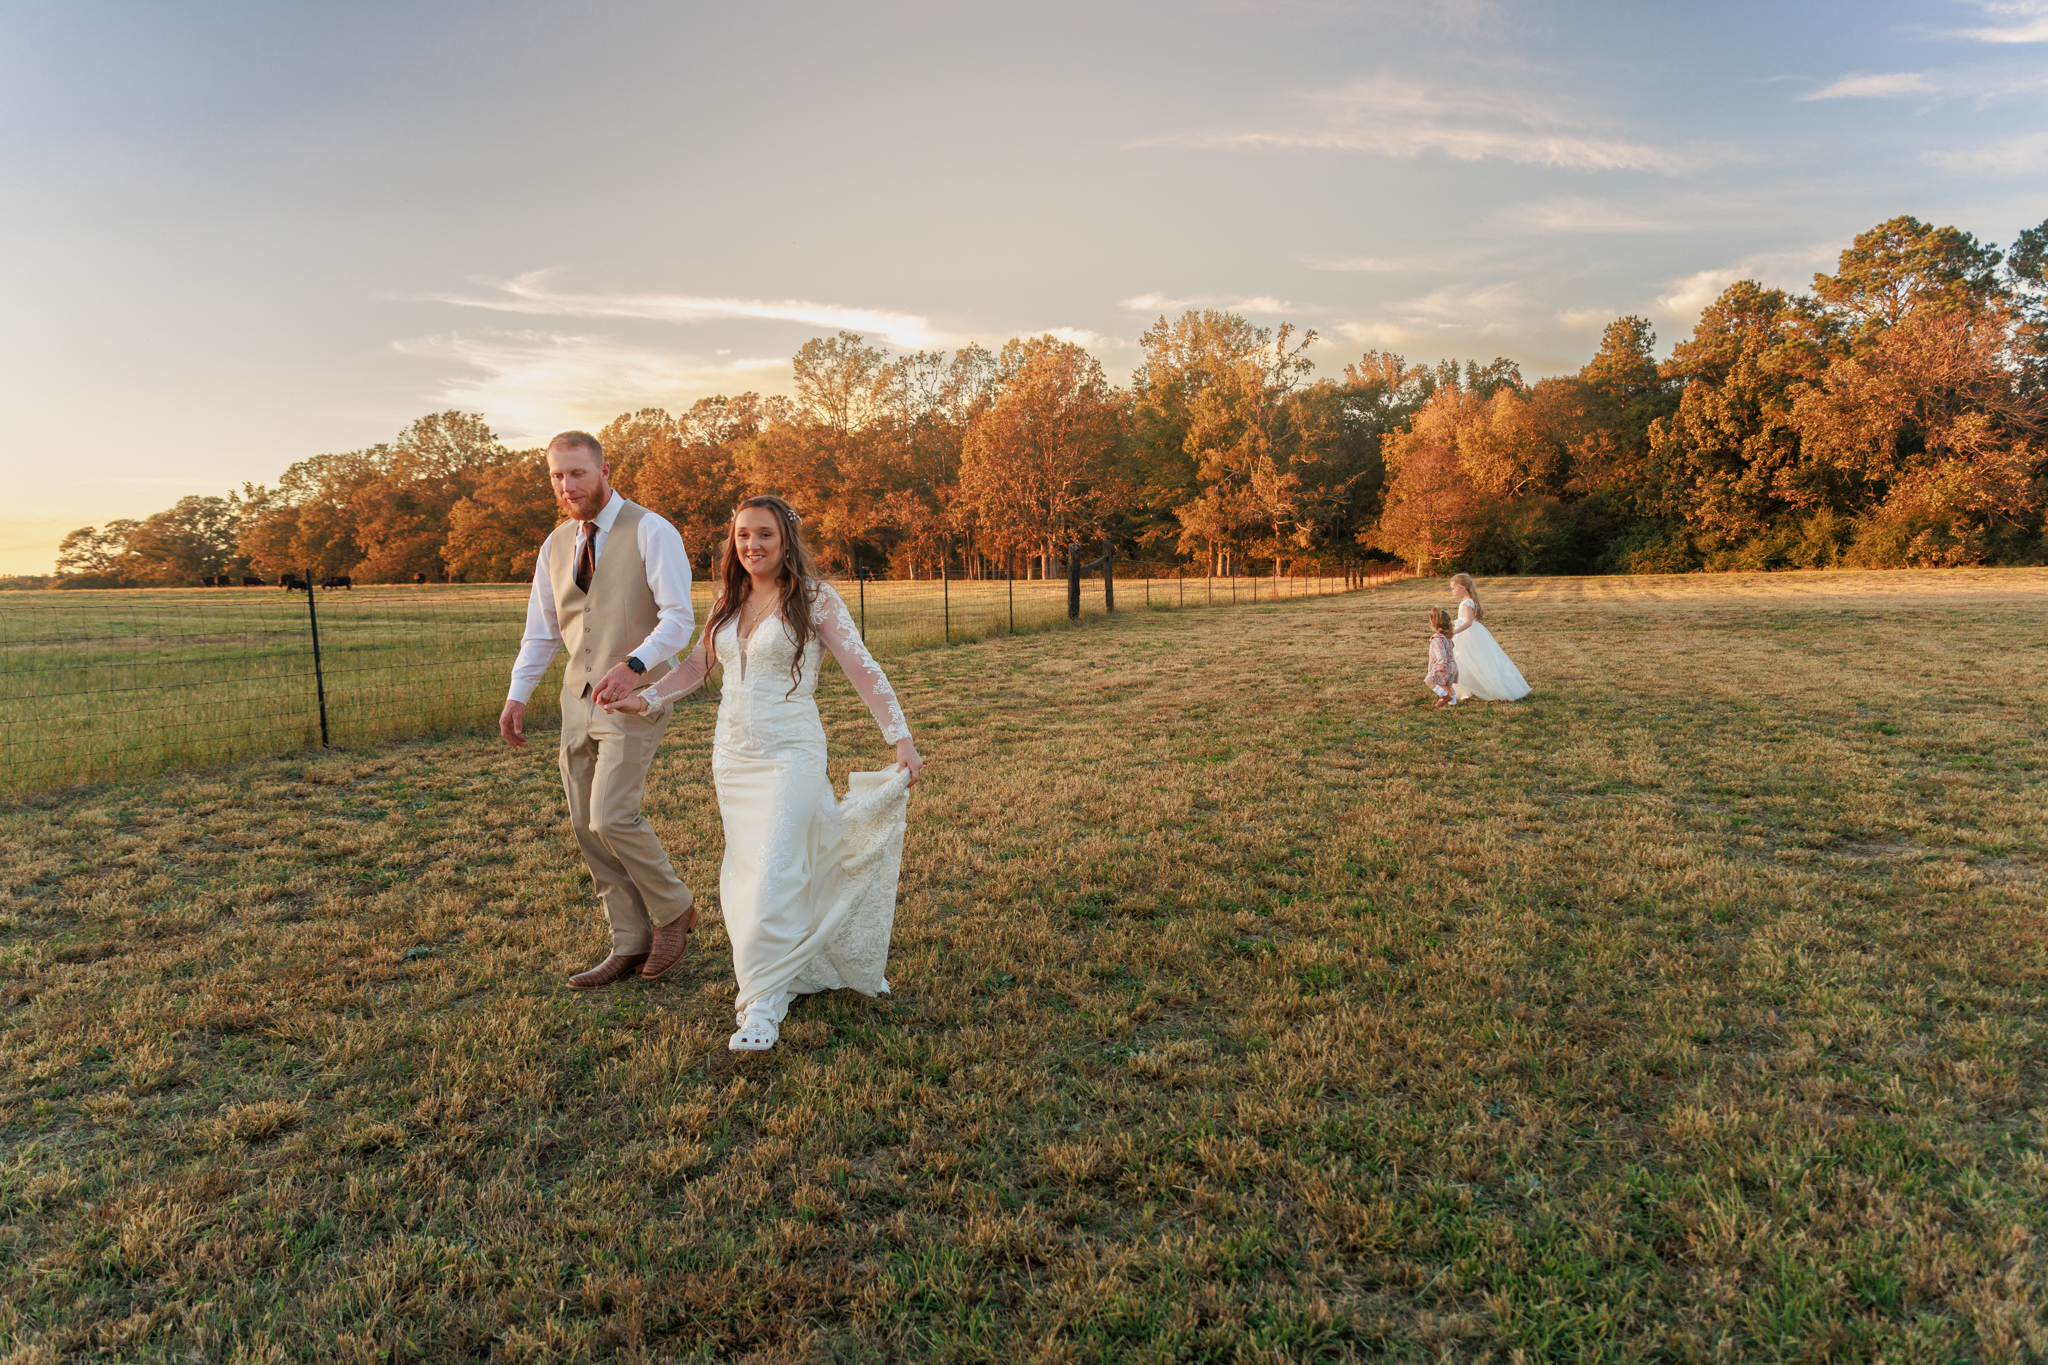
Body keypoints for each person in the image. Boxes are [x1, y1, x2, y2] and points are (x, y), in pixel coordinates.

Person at [605, 495, 923, 1053]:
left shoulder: (815, 599)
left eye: (764, 534)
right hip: (733, 757)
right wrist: (647, 698)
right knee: (749, 874)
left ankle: (761, 1004)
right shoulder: (727, 599)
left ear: (786, 540)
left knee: (774, 871)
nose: (752, 545)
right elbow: (698, 665)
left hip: (791, 754)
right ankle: (789, 965)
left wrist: (900, 736)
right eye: (743, 535)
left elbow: (861, 666)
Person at [499, 431, 700, 990]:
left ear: (605, 471)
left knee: (612, 815)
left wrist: (634, 665)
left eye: (577, 473)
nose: (567, 486)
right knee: (585, 826)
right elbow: (542, 631)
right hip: (576, 699)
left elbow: (679, 619)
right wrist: (518, 694)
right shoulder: (554, 545)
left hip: (635, 696)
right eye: (557, 476)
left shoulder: (652, 530)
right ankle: (629, 940)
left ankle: (674, 909)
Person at [1448, 572, 1531, 702]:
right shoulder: (1469, 601)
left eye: (1453, 588)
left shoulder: (1467, 602)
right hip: (1469, 633)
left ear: (1462, 588)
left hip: (1467, 633)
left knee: (1469, 658)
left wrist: (1455, 631)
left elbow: (1469, 622)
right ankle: (1467, 687)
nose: (1452, 592)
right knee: (1466, 659)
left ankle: (1476, 687)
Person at [1424, 607, 1459, 708]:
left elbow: (1440, 653)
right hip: (1452, 666)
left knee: (1429, 681)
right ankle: (1453, 704)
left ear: (1433, 624)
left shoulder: (1437, 639)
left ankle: (1444, 696)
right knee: (1448, 687)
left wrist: (1441, 664)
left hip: (1443, 665)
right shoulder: (1447, 637)